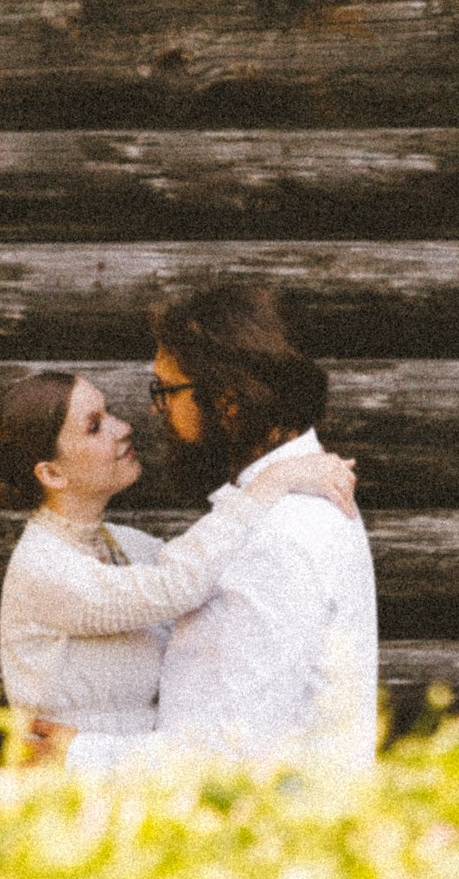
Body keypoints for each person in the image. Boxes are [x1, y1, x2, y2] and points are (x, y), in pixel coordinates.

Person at [0, 370, 357, 775]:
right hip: (69, 796)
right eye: (95, 426)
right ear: (52, 473)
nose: (124, 427)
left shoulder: (124, 544)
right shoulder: (42, 569)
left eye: (110, 412)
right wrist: (272, 482)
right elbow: (178, 584)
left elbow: (209, 568)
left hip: (135, 790)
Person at [148, 283, 381, 774]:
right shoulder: (274, 510)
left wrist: (75, 752)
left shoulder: (281, 533)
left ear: (230, 402)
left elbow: (232, 751)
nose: (157, 411)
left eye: (167, 392)